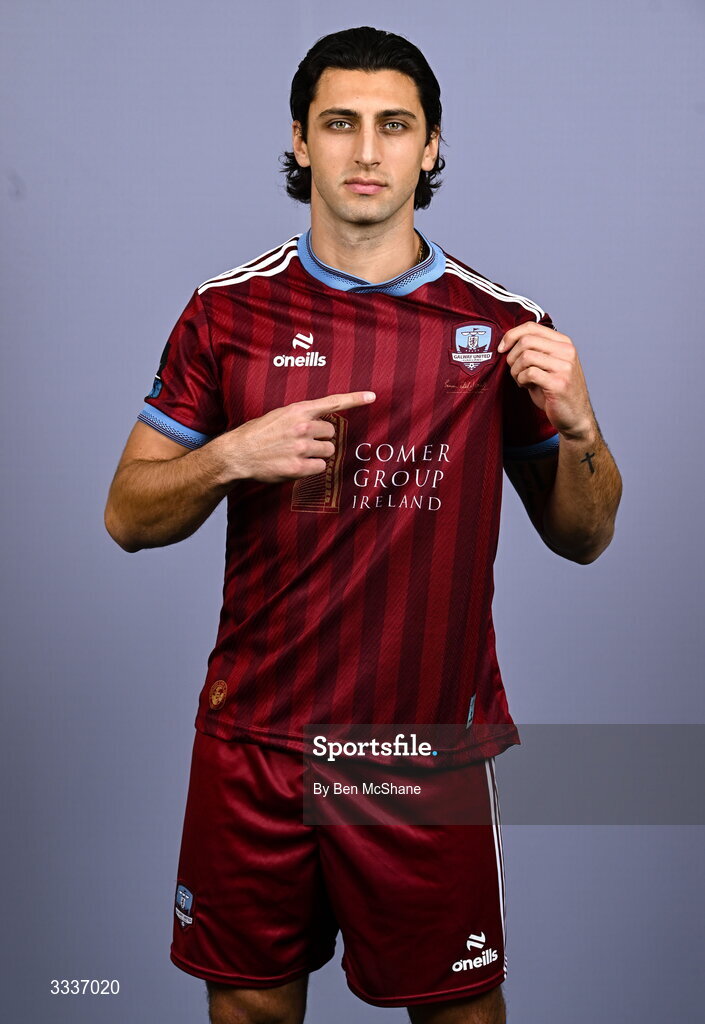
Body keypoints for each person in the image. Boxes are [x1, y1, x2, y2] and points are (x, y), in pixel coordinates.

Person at [104, 25, 622, 1024]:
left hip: (417, 753)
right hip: (254, 740)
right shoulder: (226, 314)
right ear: (300, 140)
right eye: (340, 124)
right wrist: (228, 456)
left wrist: (585, 427)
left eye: (396, 125)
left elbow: (584, 534)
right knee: (251, 1009)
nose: (368, 151)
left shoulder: (501, 324)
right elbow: (127, 515)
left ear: (432, 147)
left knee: (460, 1013)